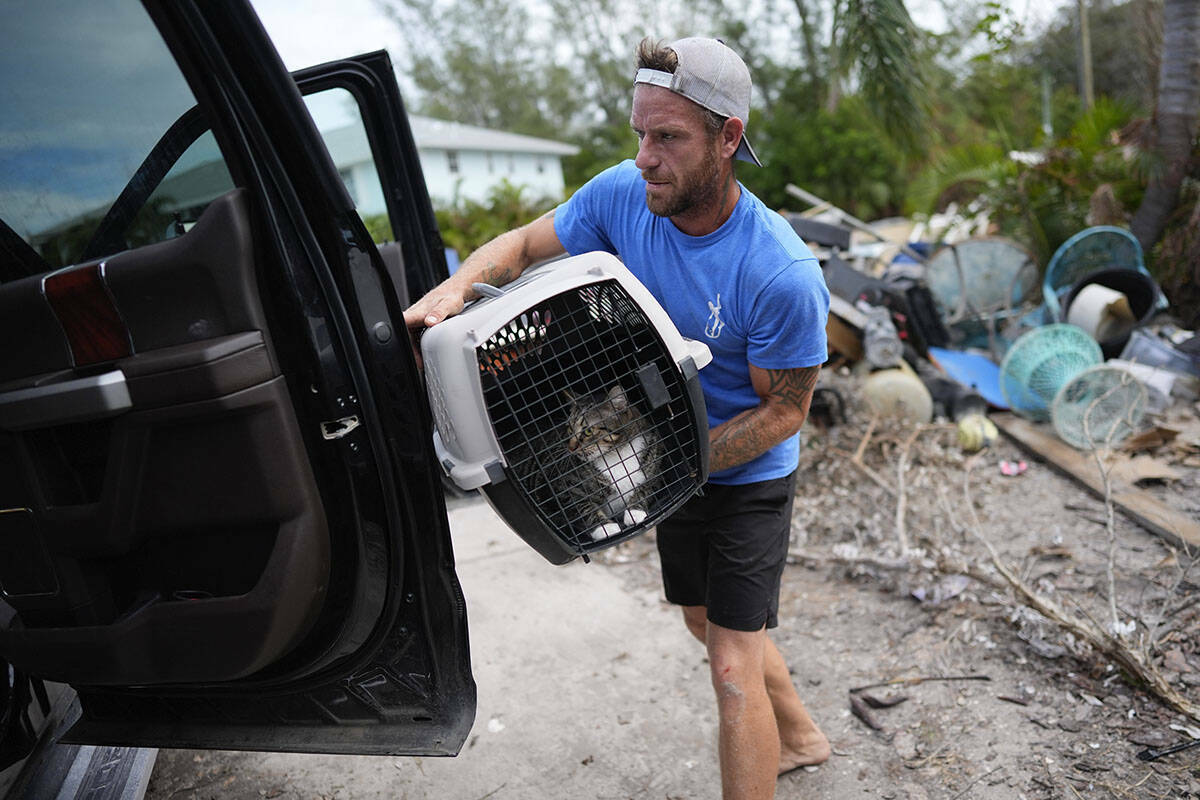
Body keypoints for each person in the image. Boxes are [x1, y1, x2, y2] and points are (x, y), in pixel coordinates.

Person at [404, 36, 831, 800]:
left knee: (731, 665)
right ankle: (800, 735)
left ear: (729, 138)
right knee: (706, 621)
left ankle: (773, 745)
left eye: (668, 137)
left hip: (743, 470)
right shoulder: (621, 196)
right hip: (668, 456)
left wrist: (676, 460)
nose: (645, 157)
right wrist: (457, 287)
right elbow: (525, 244)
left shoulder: (781, 272)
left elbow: (783, 414)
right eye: (639, 132)